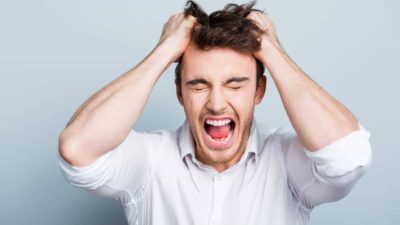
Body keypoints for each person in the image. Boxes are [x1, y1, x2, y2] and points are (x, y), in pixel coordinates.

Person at [58, 1, 372, 225]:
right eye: (198, 85)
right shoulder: (149, 161)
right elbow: (77, 149)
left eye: (235, 84)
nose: (217, 103)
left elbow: (348, 157)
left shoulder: (288, 162)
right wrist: (165, 50)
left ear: (259, 91)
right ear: (180, 92)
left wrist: (271, 49)